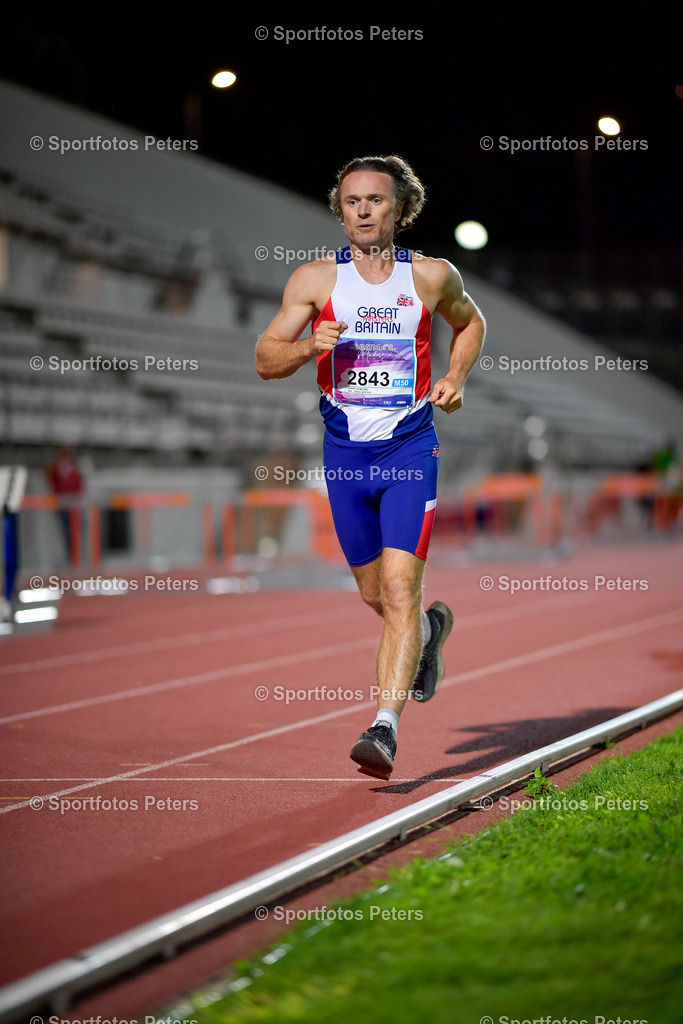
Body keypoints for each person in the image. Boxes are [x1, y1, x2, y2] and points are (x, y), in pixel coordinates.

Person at [255, 155, 486, 780]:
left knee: (399, 588)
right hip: (345, 456)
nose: (362, 210)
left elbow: (471, 324)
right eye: (352, 200)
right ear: (340, 208)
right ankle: (428, 637)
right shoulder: (315, 281)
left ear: (399, 210)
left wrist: (456, 378)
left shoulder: (432, 277)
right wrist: (308, 347)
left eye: (375, 201)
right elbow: (265, 358)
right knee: (372, 592)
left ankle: (383, 726)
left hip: (410, 449)